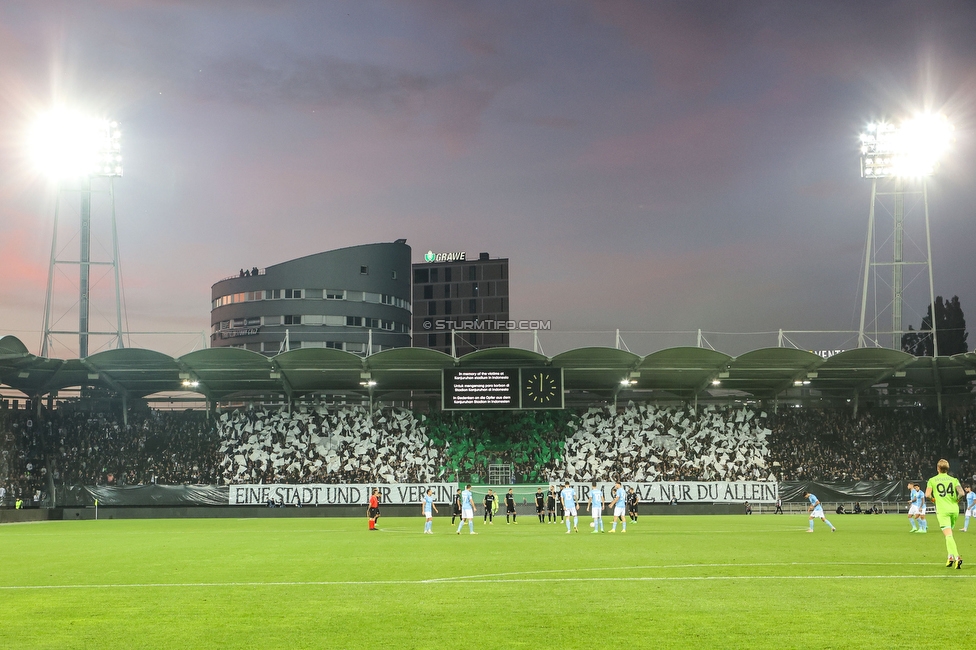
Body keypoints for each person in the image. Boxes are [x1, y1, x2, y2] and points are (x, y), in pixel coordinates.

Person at [924, 459, 964, 568]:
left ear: (938, 468)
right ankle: (949, 557)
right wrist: (957, 500)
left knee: (948, 535)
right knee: (949, 535)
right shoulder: (954, 480)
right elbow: (961, 493)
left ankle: (956, 556)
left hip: (943, 510)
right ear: (947, 468)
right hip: (954, 509)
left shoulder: (932, 480)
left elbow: (927, 495)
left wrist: (933, 500)